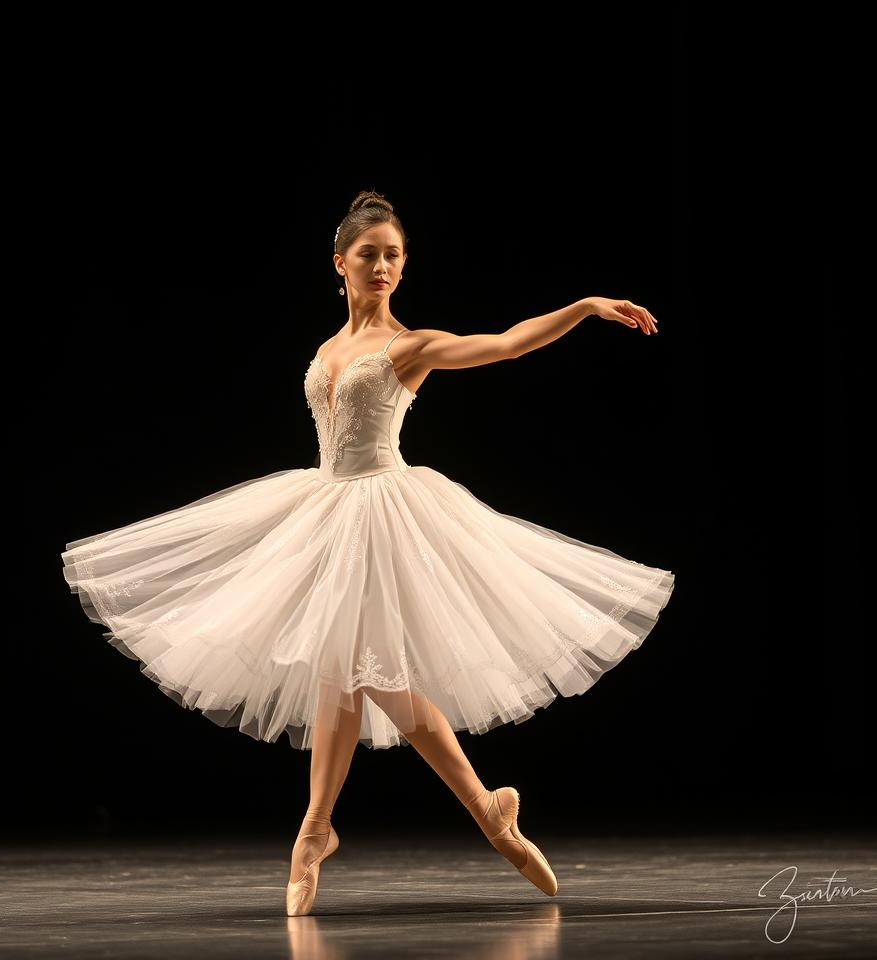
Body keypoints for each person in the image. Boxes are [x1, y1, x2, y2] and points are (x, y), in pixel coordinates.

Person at [61, 189, 675, 917]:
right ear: (339, 263)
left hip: (385, 510)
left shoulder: (408, 346)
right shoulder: (327, 350)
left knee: (371, 671)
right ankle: (340, 827)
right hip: (323, 508)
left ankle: (451, 813)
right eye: (369, 254)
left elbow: (506, 342)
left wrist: (583, 306)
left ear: (403, 266)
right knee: (340, 671)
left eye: (393, 256)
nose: (382, 266)